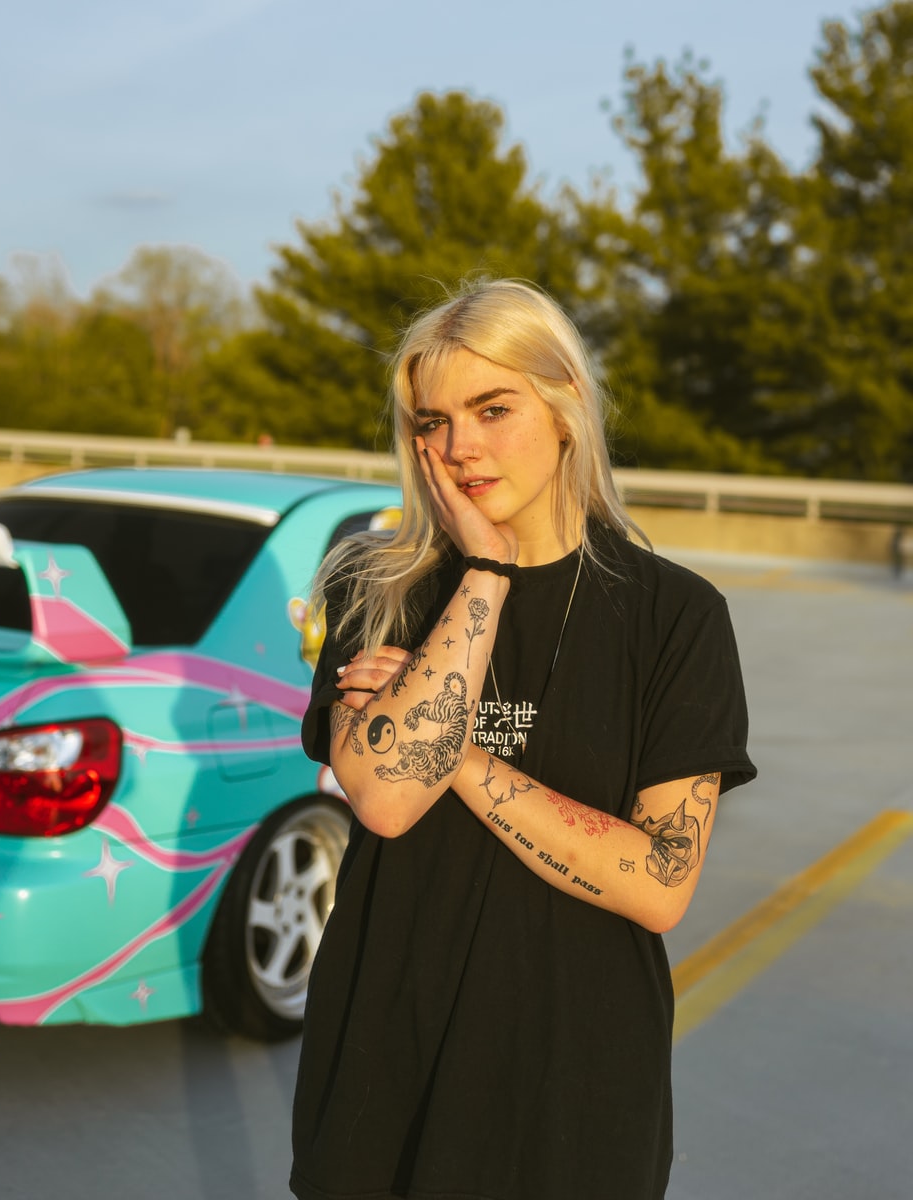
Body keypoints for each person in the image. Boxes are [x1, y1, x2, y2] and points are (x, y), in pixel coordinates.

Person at [290, 278, 756, 1200]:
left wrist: (456, 755)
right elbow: (384, 797)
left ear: (566, 404)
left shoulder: (675, 617)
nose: (459, 447)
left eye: (492, 408)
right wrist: (489, 571)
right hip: (386, 1064)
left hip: (572, 1084)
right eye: (432, 421)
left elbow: (659, 885)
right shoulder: (377, 586)